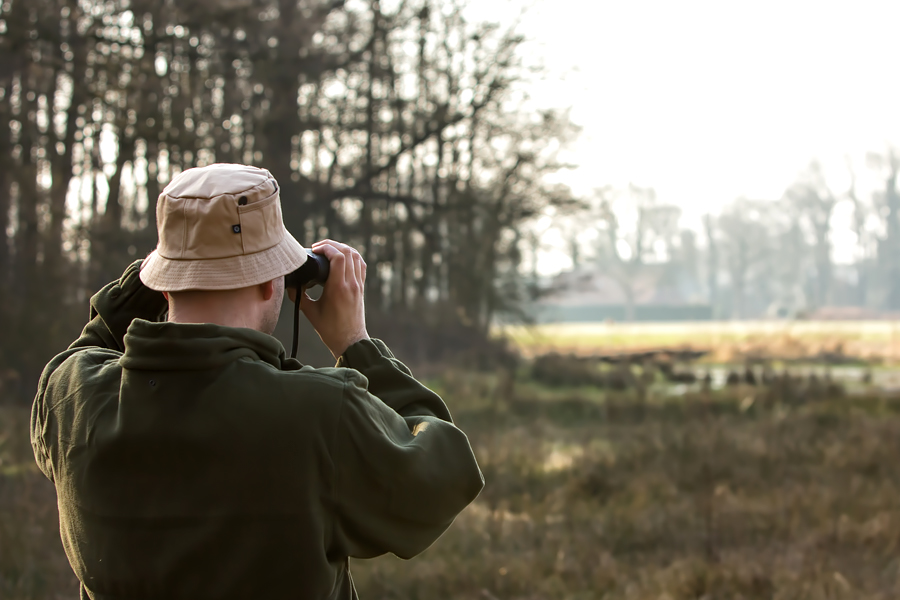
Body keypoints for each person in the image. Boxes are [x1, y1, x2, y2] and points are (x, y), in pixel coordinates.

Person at [30, 163, 484, 599]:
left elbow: (88, 345)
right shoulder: (320, 414)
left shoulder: (72, 394)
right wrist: (357, 345)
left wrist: (170, 259)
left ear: (162, 285)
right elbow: (447, 472)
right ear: (273, 283)